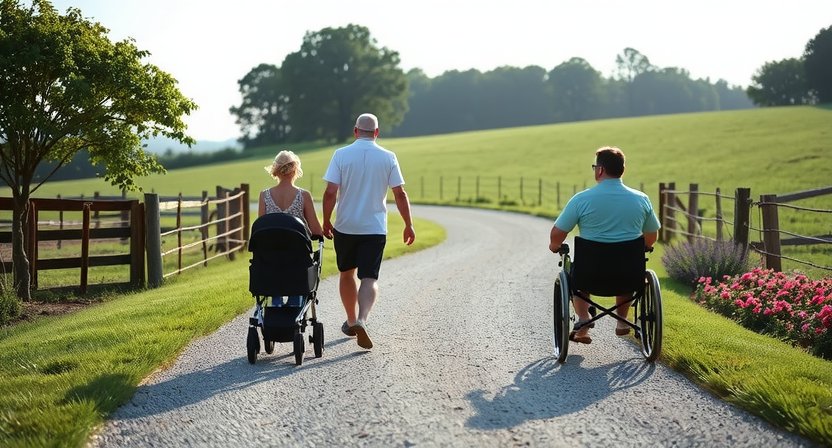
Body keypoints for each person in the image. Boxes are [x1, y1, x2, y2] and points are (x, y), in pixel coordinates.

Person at [548, 146, 660, 344]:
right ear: (621, 170)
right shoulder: (641, 200)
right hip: (628, 274)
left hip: (590, 275)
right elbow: (652, 236)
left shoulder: (581, 200)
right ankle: (622, 321)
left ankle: (583, 319)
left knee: (575, 274)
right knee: (628, 264)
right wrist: (644, 246)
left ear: (599, 170)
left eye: (594, 167)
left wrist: (554, 246)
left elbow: (557, 233)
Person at [322, 113, 415, 350]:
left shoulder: (340, 155)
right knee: (369, 277)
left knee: (346, 274)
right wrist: (408, 224)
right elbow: (400, 193)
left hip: (345, 226)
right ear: (376, 132)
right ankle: (363, 319)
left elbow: (331, 191)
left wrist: (325, 220)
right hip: (374, 228)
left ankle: (352, 320)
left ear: (355, 131)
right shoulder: (388, 157)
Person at [259, 150, 324, 307]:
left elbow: (260, 228)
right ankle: (295, 306)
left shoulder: (264, 196)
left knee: (276, 278)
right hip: (298, 258)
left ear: (276, 170)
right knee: (298, 279)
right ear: (295, 169)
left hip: (272, 258)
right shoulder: (304, 196)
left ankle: (276, 305)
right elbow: (316, 230)